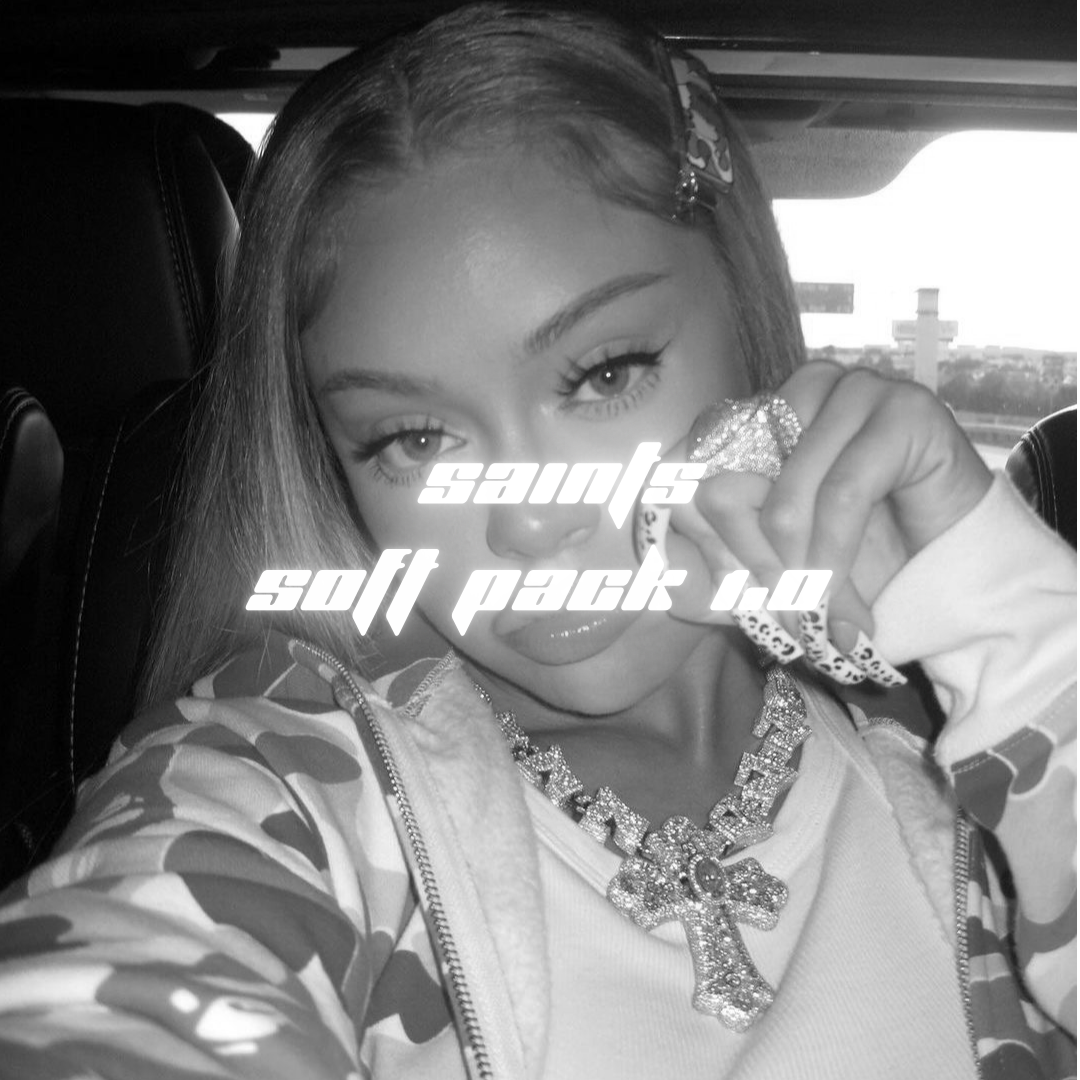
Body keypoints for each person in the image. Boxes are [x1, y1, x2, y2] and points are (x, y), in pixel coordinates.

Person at [0, 5, 1074, 1078]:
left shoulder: (967, 733)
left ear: (749, 328)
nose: (526, 519)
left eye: (605, 374)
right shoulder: (275, 787)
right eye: (413, 438)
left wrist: (1007, 619)